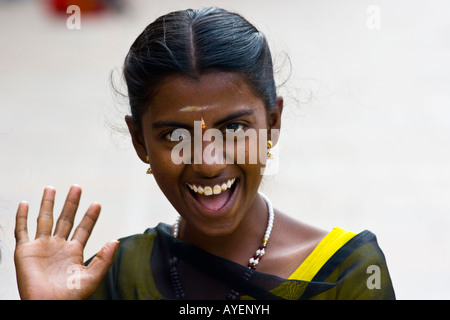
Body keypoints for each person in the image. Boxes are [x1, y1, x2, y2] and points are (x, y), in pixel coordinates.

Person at [14, 7, 395, 300]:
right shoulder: (116, 277)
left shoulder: (343, 272)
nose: (209, 163)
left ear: (273, 122)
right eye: (176, 135)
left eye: (233, 129)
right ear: (140, 142)